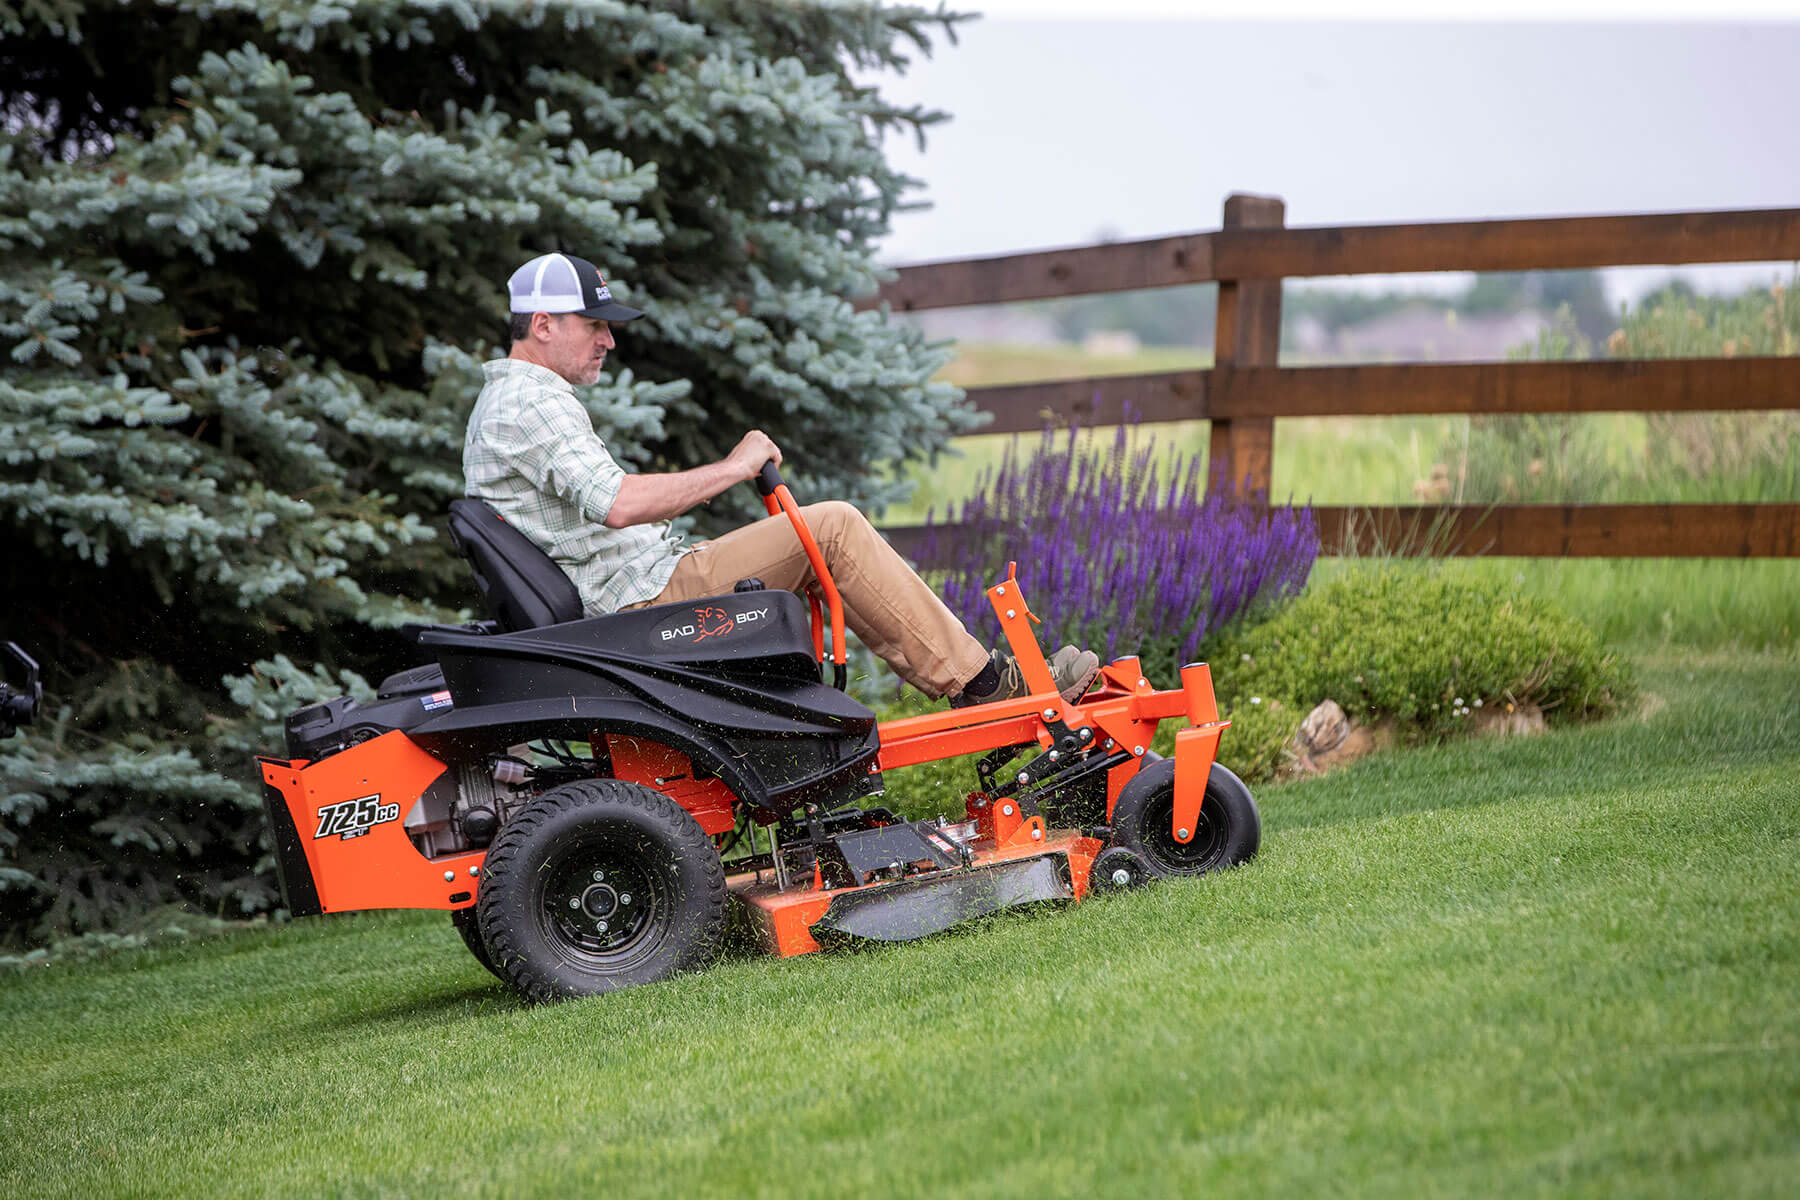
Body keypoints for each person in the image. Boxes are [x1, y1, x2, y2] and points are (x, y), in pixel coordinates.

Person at [463, 253, 1099, 706]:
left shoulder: (511, 400)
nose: (608, 340)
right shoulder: (532, 402)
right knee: (833, 529)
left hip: (632, 591)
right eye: (594, 325)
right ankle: (989, 689)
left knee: (823, 535)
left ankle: (966, 684)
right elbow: (619, 503)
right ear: (543, 324)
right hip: (636, 604)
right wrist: (736, 467)